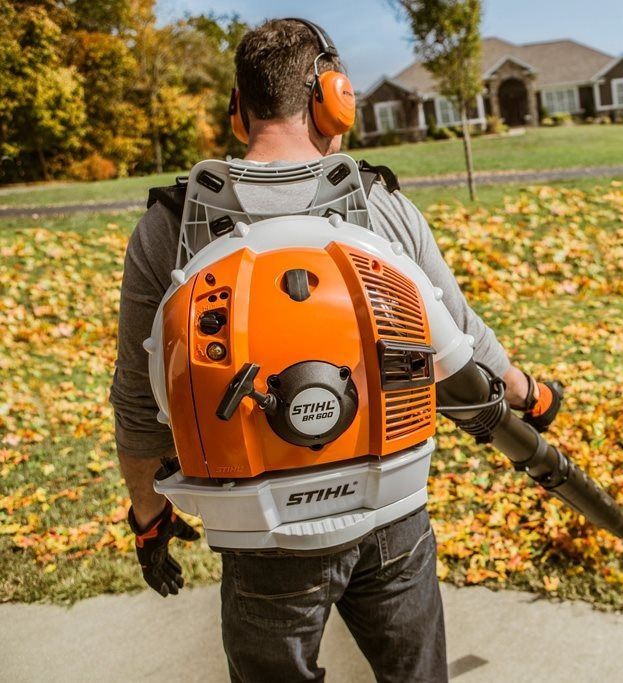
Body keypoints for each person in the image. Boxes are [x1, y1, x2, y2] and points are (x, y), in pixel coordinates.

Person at [108, 18, 559, 683]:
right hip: (391, 510)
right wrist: (532, 395)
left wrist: (149, 516)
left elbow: (139, 403)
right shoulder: (381, 206)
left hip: (258, 530)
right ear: (334, 99)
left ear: (239, 110)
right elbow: (463, 343)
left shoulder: (169, 225)